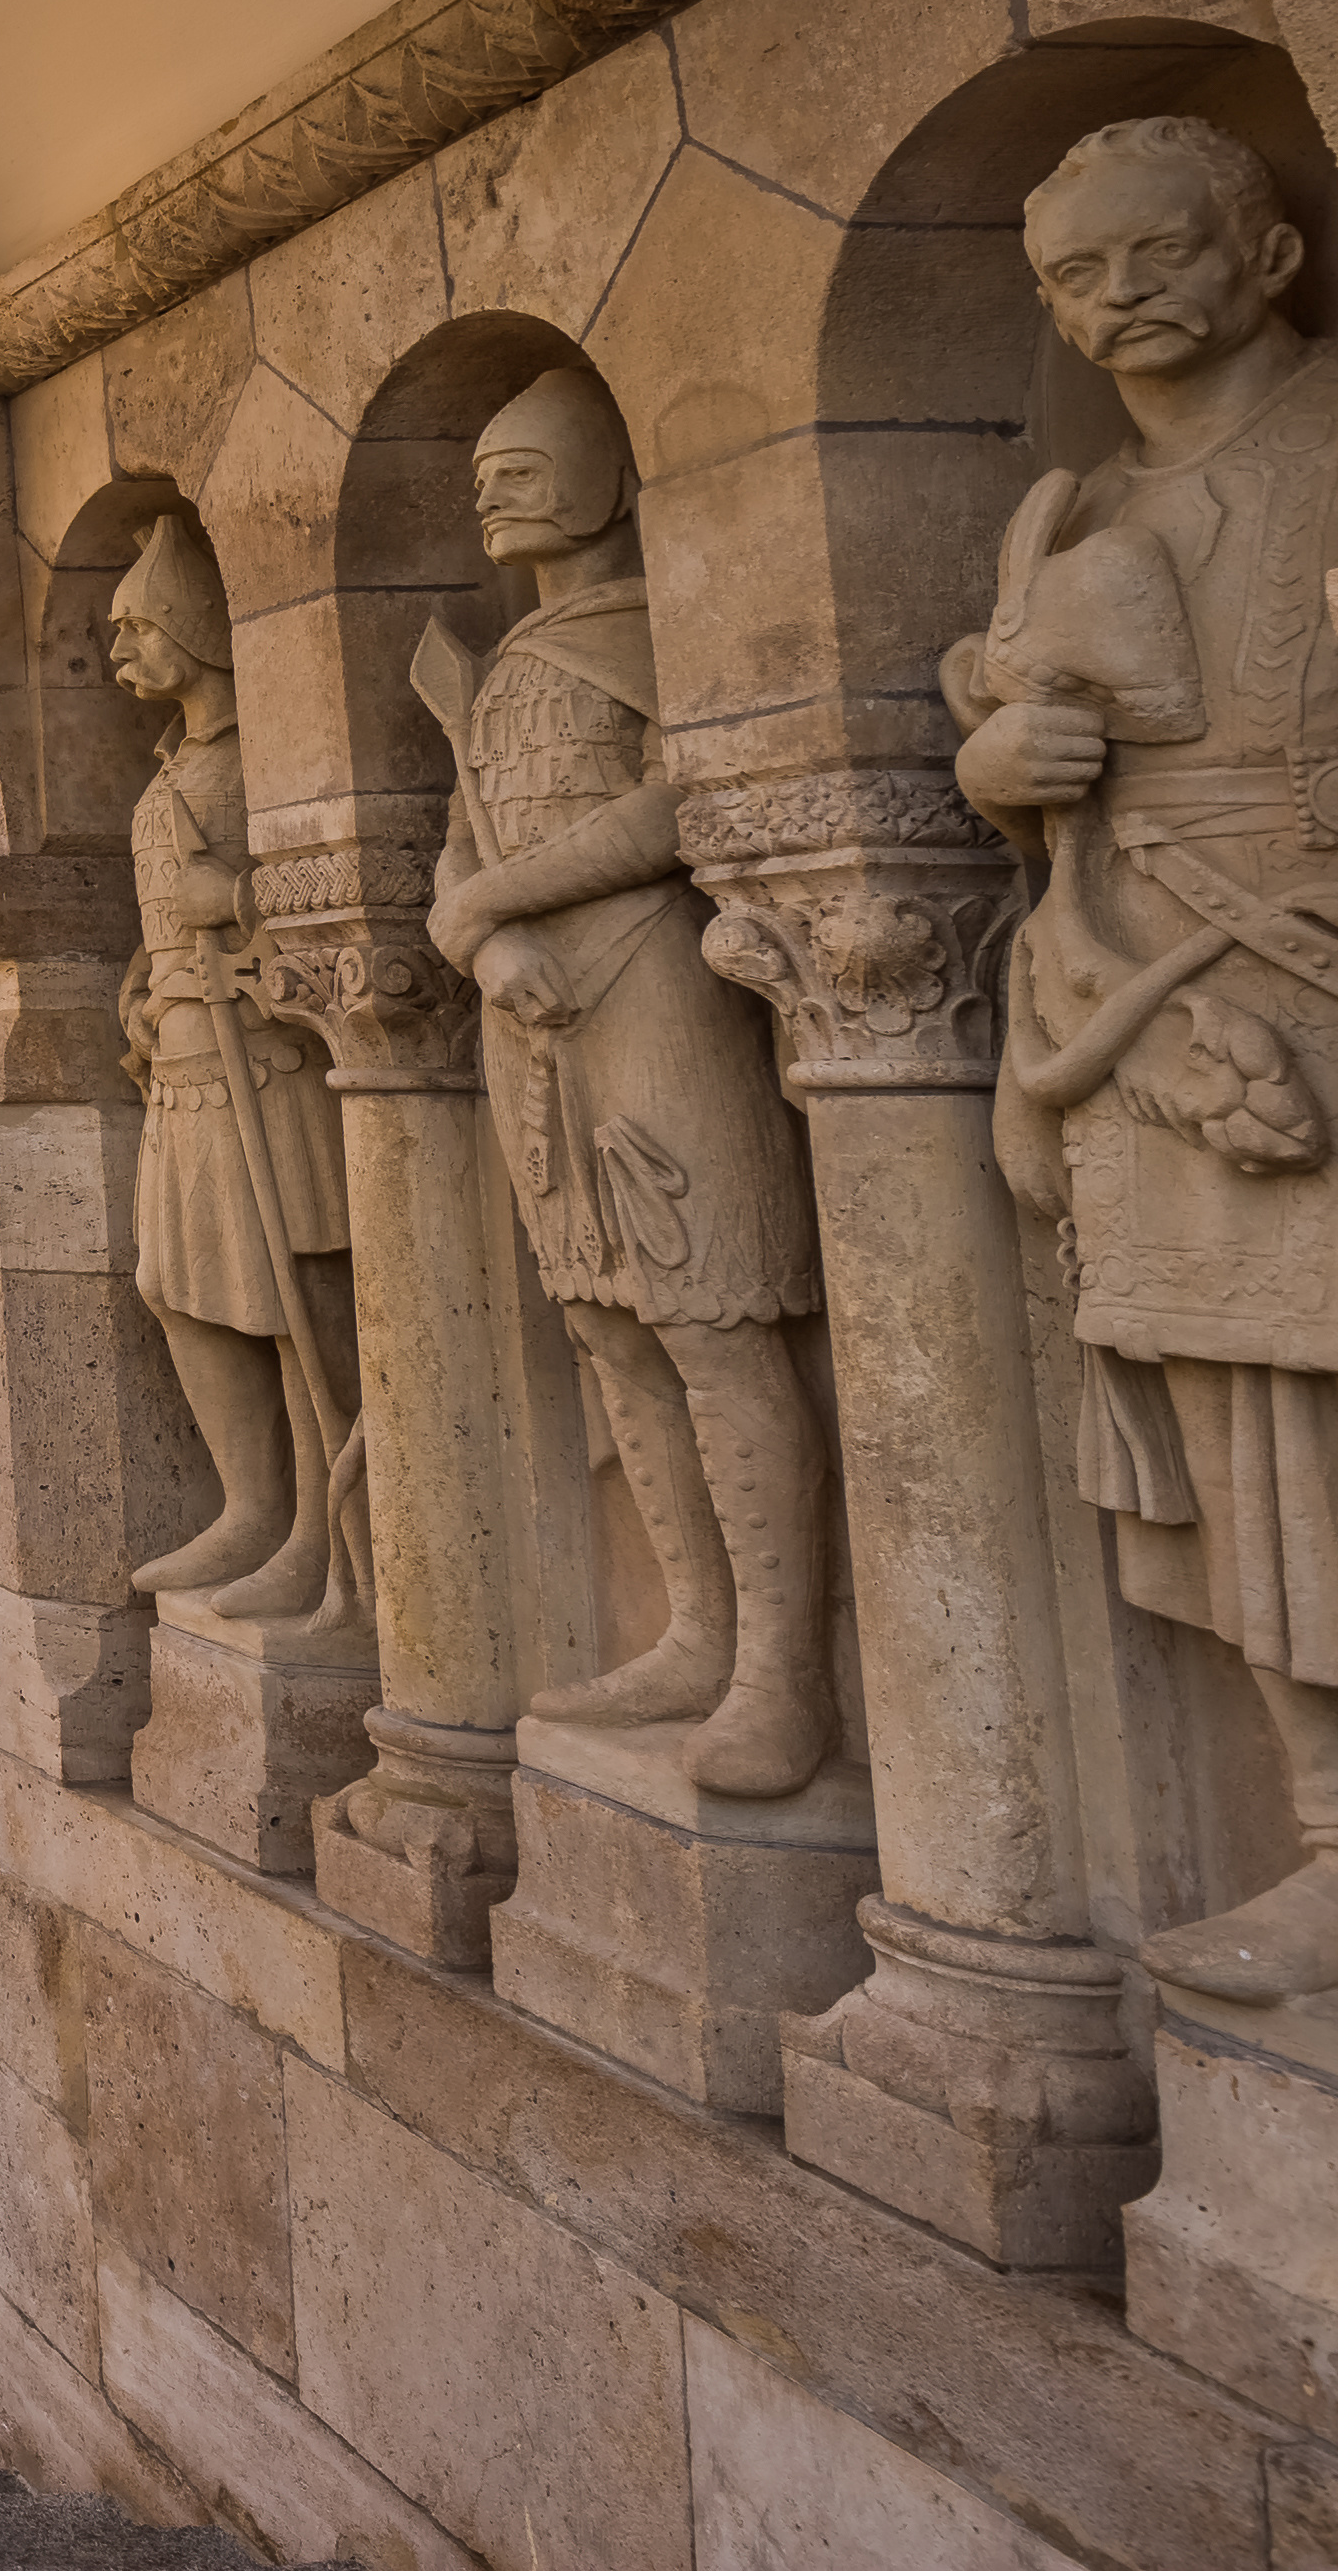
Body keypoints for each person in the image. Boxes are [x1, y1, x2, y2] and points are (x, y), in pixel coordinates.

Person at [955, 116, 1338, 1998]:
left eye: (1154, 250)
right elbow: (1033, 756)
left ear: (1265, 251)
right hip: (1157, 1010)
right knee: (1246, 1448)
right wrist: (993, 774)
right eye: (1072, 278)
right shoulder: (1072, 515)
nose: (1114, 297)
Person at [426, 370, 833, 1799]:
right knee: (610, 1330)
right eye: (481, 467)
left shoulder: (659, 628)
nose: (494, 487)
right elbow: (451, 863)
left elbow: (677, 802)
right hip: (530, 1019)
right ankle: (693, 1628)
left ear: (610, 472)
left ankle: (782, 1666)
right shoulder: (493, 665)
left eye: (526, 460)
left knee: (713, 1319)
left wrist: (491, 913)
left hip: (653, 985)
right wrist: (478, 946)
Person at [108, 515, 358, 1625]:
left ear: (196, 631)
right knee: (175, 1288)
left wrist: (245, 902)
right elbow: (161, 921)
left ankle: (315, 1532)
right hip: (182, 1061)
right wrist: (139, 991)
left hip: (263, 1064)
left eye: (136, 629)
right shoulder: (175, 769)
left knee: (283, 1300)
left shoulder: (263, 758)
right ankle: (251, 1507)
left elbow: (337, 888)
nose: (117, 652)